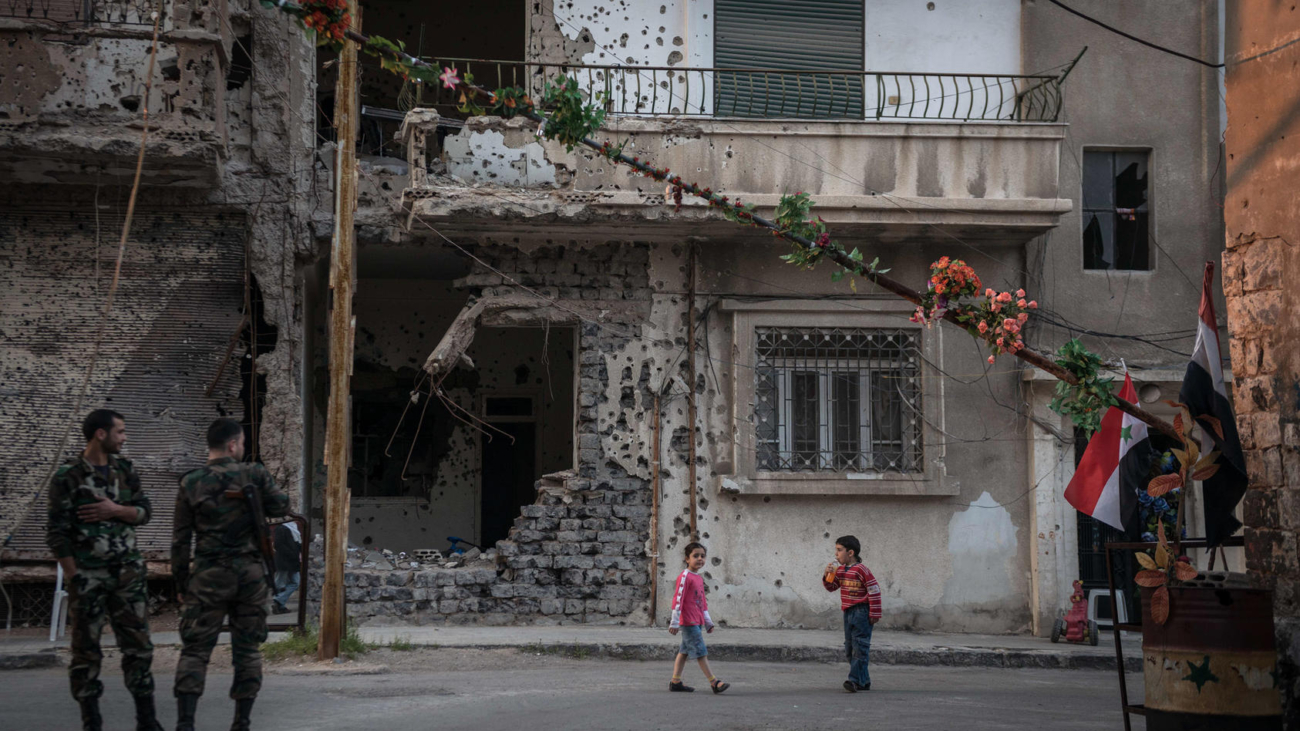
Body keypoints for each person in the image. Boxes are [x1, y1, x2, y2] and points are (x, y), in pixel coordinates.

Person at [46, 409, 164, 731]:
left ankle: (147, 721)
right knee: (86, 654)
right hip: (88, 577)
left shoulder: (125, 469)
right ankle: (91, 722)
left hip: (128, 575)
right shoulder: (67, 476)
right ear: (101, 434)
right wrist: (74, 576)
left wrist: (116, 510)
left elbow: (145, 512)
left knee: (139, 648)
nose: (124, 438)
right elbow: (56, 534)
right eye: (120, 432)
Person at [172, 418, 289, 731]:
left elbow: (180, 540)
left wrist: (181, 583)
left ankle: (185, 722)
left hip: (208, 574)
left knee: (195, 649)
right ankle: (242, 721)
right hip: (249, 575)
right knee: (247, 650)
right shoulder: (254, 473)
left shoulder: (191, 482)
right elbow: (282, 505)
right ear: (234, 445)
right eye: (243, 443)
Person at [822, 534, 882, 693]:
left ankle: (854, 680)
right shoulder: (840, 570)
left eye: (839, 550)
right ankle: (864, 681)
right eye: (836, 550)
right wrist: (827, 575)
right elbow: (831, 587)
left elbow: (874, 590)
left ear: (850, 553)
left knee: (860, 646)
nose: (836, 554)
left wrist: (874, 613)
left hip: (861, 611)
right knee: (850, 648)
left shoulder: (861, 570)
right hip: (848, 612)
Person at [668, 542, 729, 694]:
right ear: (687, 559)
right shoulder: (684, 577)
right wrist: (674, 622)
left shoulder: (698, 578)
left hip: (697, 621)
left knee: (684, 651)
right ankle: (714, 682)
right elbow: (678, 599)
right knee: (700, 651)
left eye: (702, 556)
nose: (700, 559)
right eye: (695, 556)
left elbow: (702, 602)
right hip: (689, 621)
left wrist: (708, 621)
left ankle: (675, 681)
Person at [271, 521, 301, 615]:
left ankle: (278, 601)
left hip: (292, 561)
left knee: (295, 582)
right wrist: (291, 554)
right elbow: (278, 544)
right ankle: (279, 605)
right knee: (280, 584)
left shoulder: (294, 529)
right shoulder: (282, 528)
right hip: (284, 561)